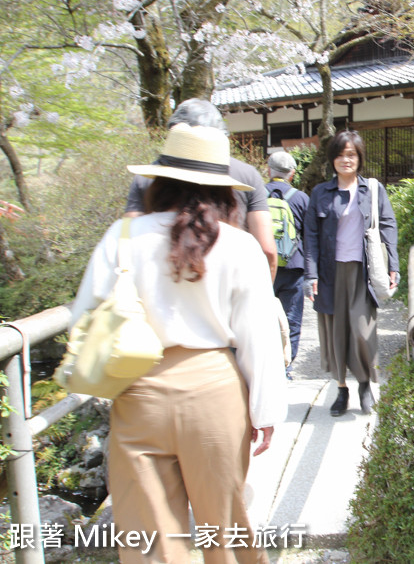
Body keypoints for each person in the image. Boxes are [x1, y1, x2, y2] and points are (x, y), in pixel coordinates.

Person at [71, 124, 287, 564]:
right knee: (223, 533)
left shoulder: (122, 237)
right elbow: (258, 336)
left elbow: (83, 318)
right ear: (224, 191)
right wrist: (266, 411)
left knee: (150, 543)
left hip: (139, 393)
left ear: (159, 181)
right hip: (215, 393)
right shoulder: (240, 246)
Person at [125, 98, 278, 277]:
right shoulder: (248, 175)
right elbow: (267, 248)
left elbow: (128, 236)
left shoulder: (145, 178)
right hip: (228, 279)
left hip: (152, 279)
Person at [304, 130, 398, 416]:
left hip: (362, 272)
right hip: (330, 272)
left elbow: (388, 225)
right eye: (341, 155)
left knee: (363, 330)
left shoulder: (372, 189)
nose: (346, 160)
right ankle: (342, 390)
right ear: (332, 158)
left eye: (352, 155)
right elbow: (310, 234)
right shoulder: (320, 192)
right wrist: (311, 274)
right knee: (335, 333)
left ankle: (365, 384)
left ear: (359, 158)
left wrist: (393, 264)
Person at [266, 150, 309, 379]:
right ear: (292, 174)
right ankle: (285, 367)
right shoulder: (301, 198)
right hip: (293, 267)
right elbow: (310, 237)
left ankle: (263, 365)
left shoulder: (256, 195)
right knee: (292, 319)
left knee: (261, 316)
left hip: (262, 267)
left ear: (268, 169)